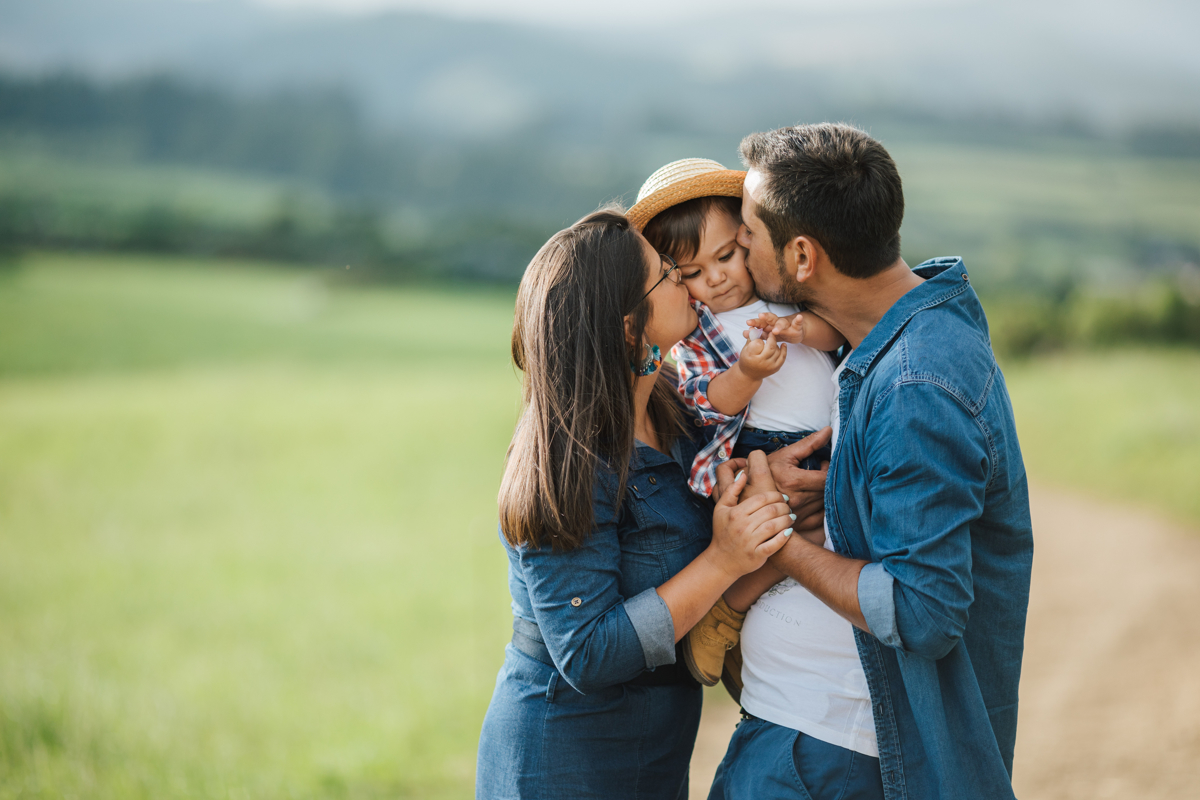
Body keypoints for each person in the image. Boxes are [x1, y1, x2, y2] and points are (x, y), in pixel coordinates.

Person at [707, 123, 1034, 800]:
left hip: (827, 761)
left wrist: (777, 538)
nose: (737, 247)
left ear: (801, 255)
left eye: (747, 232)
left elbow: (922, 610)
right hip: (811, 743)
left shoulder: (915, 383)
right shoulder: (892, 340)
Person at [475, 209, 797, 799]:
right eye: (668, 273)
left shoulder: (676, 404)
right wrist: (723, 560)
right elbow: (587, 651)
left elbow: (708, 488)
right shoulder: (568, 460)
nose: (686, 278)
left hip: (658, 749)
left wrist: (753, 480)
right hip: (565, 760)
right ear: (629, 328)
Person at [626, 158, 847, 689]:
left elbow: (834, 334)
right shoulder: (697, 329)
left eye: (725, 256)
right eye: (692, 273)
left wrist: (797, 328)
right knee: (782, 532)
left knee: (832, 532)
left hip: (829, 437)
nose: (716, 278)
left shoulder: (785, 291)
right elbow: (705, 399)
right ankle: (726, 612)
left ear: (748, 239)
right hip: (757, 447)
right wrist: (746, 372)